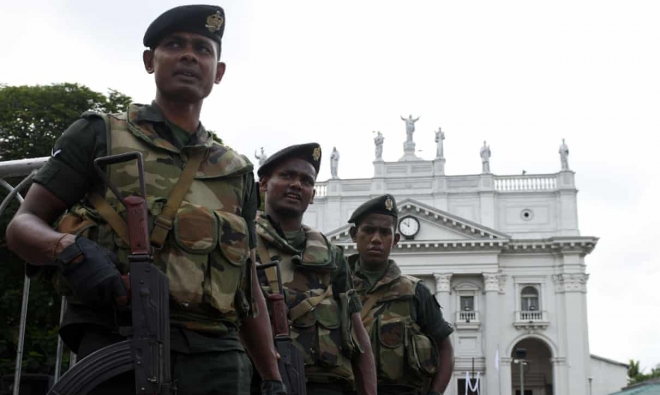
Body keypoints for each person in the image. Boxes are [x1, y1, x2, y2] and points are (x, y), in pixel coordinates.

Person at [6, 5, 284, 395]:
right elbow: (21, 226)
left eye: (203, 49)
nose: (189, 55)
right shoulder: (99, 134)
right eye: (175, 45)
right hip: (118, 334)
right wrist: (70, 249)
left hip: (217, 357)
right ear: (149, 61)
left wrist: (272, 376)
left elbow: (248, 283)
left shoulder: (236, 170)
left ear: (218, 72)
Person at [253, 143, 377, 395]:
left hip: (328, 385)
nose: (297, 185)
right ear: (264, 183)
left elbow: (357, 334)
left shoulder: (331, 256)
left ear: (312, 195)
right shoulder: (242, 240)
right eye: (287, 175)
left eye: (306, 181)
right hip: (261, 383)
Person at [347, 195, 454, 395]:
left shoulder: (415, 292)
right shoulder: (337, 287)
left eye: (385, 232)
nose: (376, 239)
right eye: (369, 230)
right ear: (354, 234)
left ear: (395, 240)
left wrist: (436, 393)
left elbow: (445, 348)